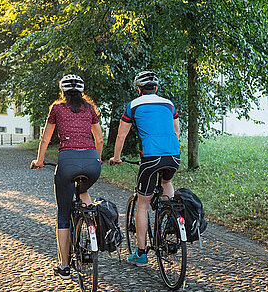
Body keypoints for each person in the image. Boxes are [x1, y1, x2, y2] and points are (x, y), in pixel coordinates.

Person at [31, 74, 103, 279]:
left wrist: (40, 160)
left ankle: (64, 267)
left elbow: (45, 139)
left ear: (63, 91)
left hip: (67, 162)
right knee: (84, 192)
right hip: (92, 163)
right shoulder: (90, 109)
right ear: (81, 91)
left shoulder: (57, 108)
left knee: (63, 214)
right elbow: (99, 138)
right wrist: (97, 159)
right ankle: (92, 236)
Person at [109, 70, 180, 266]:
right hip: (174, 155)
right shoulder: (169, 104)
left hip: (151, 157)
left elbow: (121, 135)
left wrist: (116, 157)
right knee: (167, 181)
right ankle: (170, 216)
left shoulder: (133, 105)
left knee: (142, 204)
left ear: (139, 89)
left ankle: (141, 254)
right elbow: (176, 131)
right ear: (156, 88)